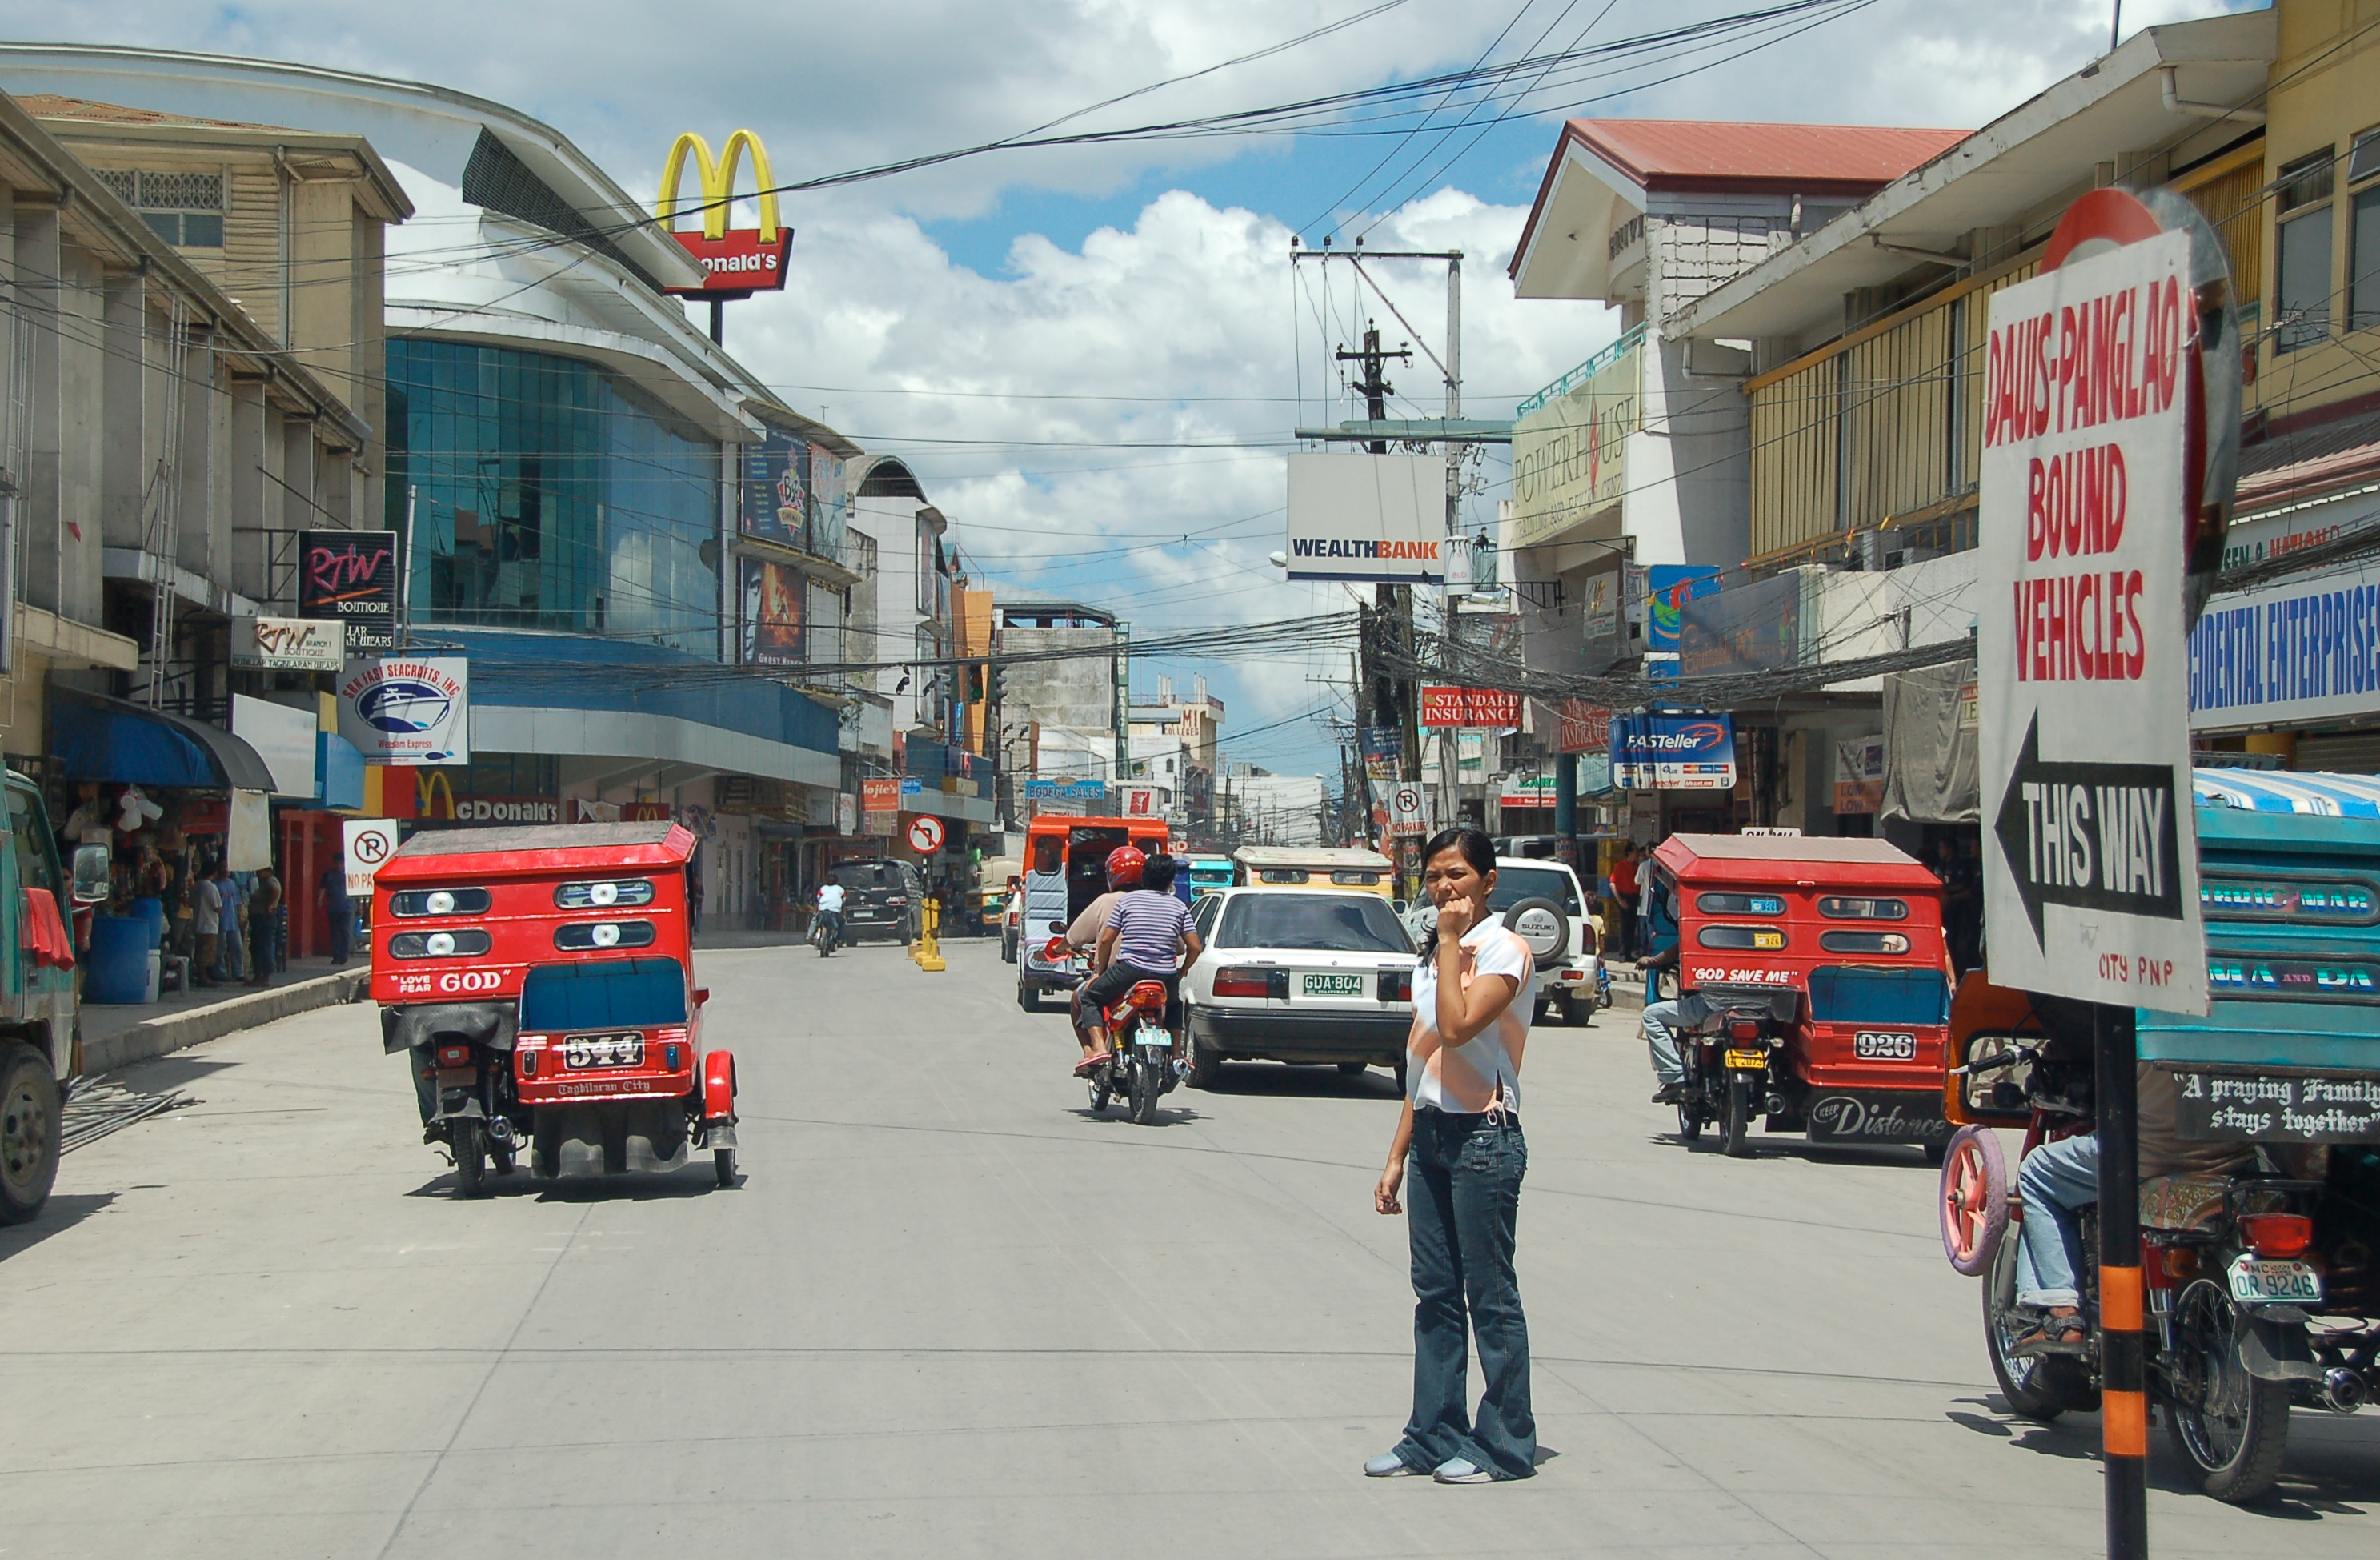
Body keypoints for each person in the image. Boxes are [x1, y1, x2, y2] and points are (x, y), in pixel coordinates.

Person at [1368, 826, 1537, 1485]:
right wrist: (1396, 1156)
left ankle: (1504, 1445)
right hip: (1436, 1133)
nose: (1444, 888)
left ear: (1487, 883)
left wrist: (1446, 943)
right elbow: (1424, 1061)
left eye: (1458, 875)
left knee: (1490, 1297)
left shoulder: (1505, 951)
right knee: (1435, 1295)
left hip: (1485, 1137)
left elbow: (1463, 1024)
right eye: (1435, 876)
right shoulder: (1430, 959)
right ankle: (1432, 1434)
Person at [2009, 1064, 2254, 1353]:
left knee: (2036, 1171)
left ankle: (2064, 1315)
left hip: (2147, 1154)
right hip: (2235, 1159)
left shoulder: (2146, 1020)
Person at [1080, 852, 1200, 1072]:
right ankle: (1176, 1054)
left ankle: (1099, 1048)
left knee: (1089, 997)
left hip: (1129, 971)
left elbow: (1106, 940)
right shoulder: (1179, 906)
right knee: (1173, 1006)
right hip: (1166, 974)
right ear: (1171, 881)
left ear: (1144, 878)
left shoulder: (1127, 901)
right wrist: (1181, 972)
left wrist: (1100, 971)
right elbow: (1195, 947)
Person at [1064, 847, 1142, 1076]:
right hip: (1158, 975)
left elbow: (1075, 937)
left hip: (1118, 976)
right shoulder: (1158, 900)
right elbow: (1183, 946)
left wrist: (1059, 947)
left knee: (1083, 996)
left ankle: (1093, 1049)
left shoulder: (1107, 902)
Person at [1933, 838, 1981, 976]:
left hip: (1962, 911)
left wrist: (1949, 894)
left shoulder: (1961, 865)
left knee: (1964, 943)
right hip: (1949, 910)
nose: (1940, 851)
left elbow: (1966, 886)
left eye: (1942, 847)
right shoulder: (1943, 865)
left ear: (1949, 849)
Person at [246, 866, 282, 987]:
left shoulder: (271, 882)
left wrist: (271, 905)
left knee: (264, 947)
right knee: (256, 947)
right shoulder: (265, 883)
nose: (258, 874)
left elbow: (275, 890)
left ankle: (265, 976)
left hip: (264, 918)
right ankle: (258, 975)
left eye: (260, 871)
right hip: (259, 918)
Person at [191, 858, 224, 988]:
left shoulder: (197, 886)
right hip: (209, 924)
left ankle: (202, 975)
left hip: (197, 922)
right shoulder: (211, 887)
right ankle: (204, 977)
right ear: (215, 872)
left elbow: (190, 902)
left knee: (200, 950)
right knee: (207, 952)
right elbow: (217, 907)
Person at [1610, 844, 1642, 960]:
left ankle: (1630, 952)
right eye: (1635, 852)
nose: (1638, 854)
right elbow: (1612, 883)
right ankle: (1623, 953)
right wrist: (1619, 900)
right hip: (1624, 896)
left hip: (1636, 897)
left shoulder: (1639, 866)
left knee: (1633, 926)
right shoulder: (1620, 866)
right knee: (1625, 927)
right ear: (1629, 853)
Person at [321, 852, 352, 968]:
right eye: (337, 864)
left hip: (346, 907)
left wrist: (359, 906)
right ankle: (336, 956)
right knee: (334, 933)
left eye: (341, 864)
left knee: (344, 932)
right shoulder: (328, 875)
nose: (339, 866)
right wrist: (319, 901)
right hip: (333, 908)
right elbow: (322, 888)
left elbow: (355, 891)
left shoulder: (348, 875)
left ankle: (344, 955)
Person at [814, 877, 846, 946]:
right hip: (835, 911)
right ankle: (839, 940)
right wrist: (844, 913)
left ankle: (811, 936)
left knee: (815, 920)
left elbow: (818, 900)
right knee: (843, 922)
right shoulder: (840, 889)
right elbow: (843, 901)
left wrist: (816, 912)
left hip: (822, 910)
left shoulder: (823, 888)